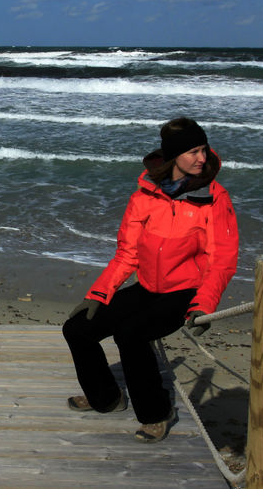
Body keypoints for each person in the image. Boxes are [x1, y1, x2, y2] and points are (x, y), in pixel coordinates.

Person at [62, 117, 238, 443]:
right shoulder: (144, 195)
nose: (203, 157)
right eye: (194, 151)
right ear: (173, 156)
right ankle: (107, 399)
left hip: (185, 291)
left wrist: (204, 304)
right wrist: (98, 294)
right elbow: (127, 254)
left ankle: (157, 413)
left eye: (203, 149)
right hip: (146, 287)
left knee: (131, 334)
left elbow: (222, 262)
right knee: (77, 329)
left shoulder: (215, 199)